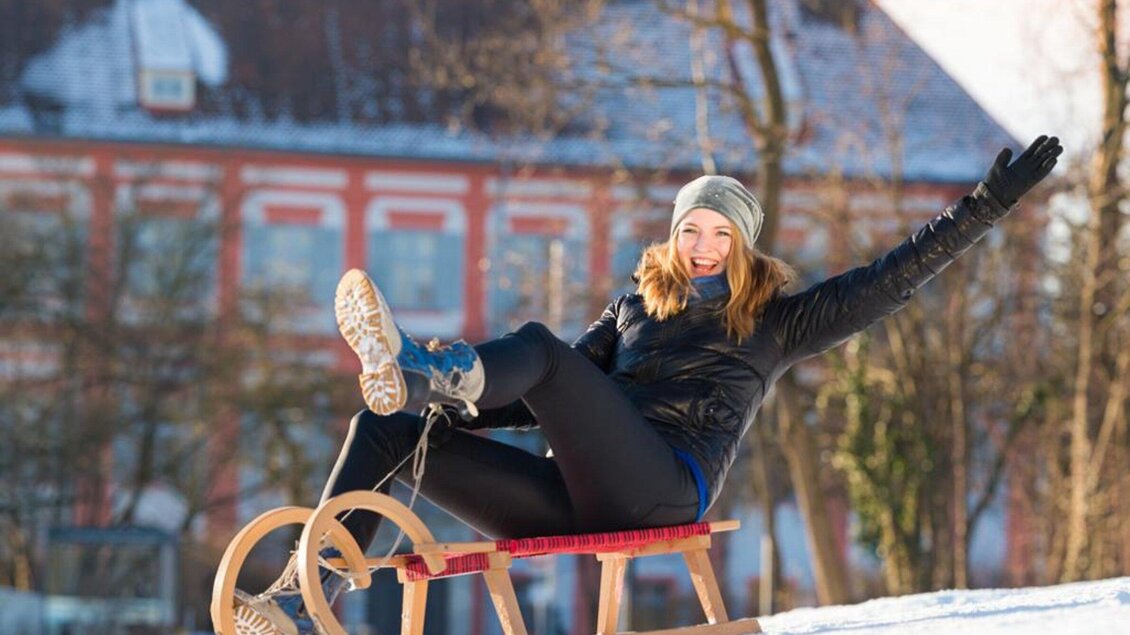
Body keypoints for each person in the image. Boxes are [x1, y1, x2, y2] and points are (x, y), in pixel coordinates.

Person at [236, 135, 1062, 633]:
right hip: (579, 492)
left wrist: (987, 205)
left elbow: (889, 279)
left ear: (743, 245)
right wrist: (451, 413)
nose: (704, 246)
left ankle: (427, 373)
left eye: (720, 234)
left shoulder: (775, 320)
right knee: (388, 431)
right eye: (691, 230)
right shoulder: (636, 303)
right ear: (675, 237)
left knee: (539, 348)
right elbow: (540, 400)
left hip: (665, 487)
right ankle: (308, 596)